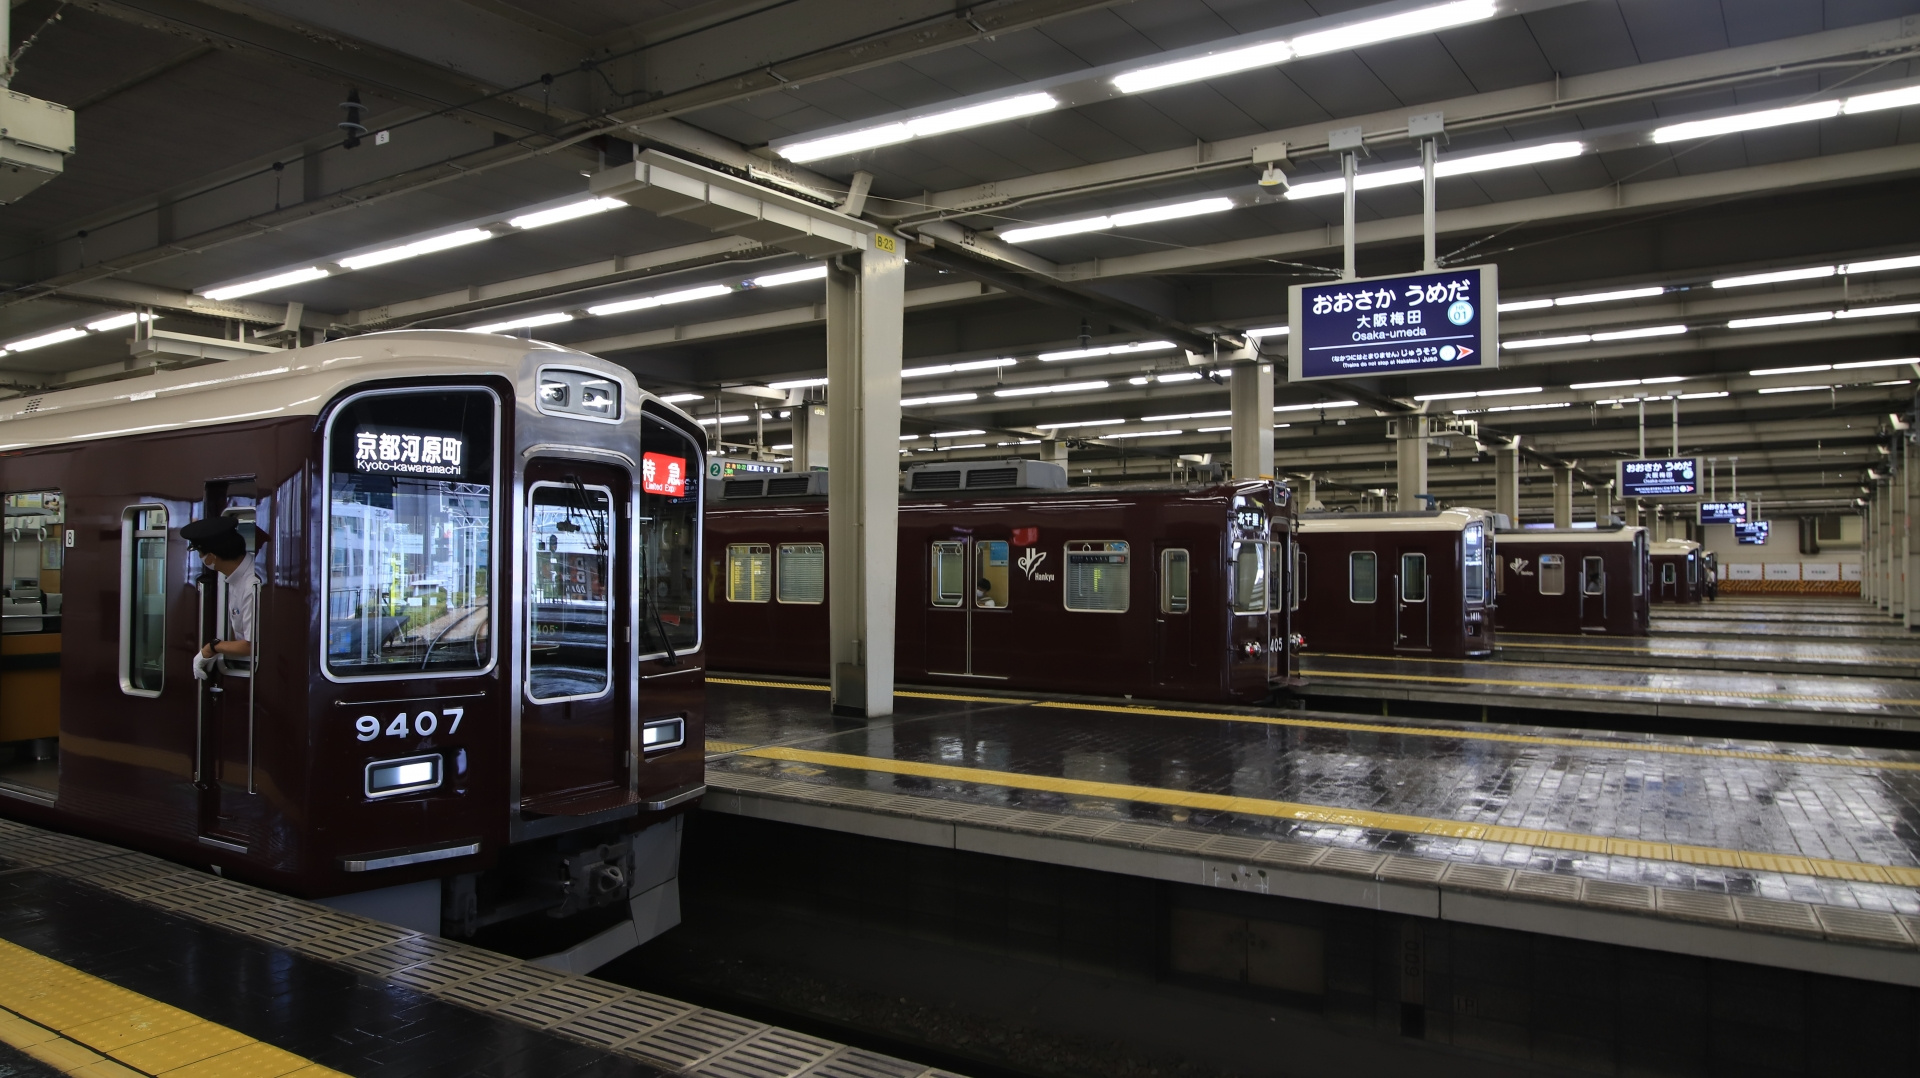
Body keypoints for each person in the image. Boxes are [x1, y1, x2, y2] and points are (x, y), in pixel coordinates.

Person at [182, 516, 262, 679]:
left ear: (211, 557)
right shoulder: (236, 576)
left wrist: (211, 648)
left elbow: (252, 645)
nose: (201, 558)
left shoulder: (251, 585)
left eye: (200, 553)